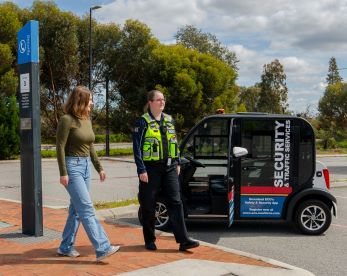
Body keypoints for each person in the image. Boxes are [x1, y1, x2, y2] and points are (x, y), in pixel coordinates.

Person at [56, 86, 119, 262]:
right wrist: (63, 172)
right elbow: (60, 146)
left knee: (76, 210)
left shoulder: (86, 119)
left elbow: (90, 146)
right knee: (86, 208)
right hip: (72, 167)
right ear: (81, 100)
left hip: (85, 167)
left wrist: (99, 167)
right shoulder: (67, 120)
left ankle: (65, 247)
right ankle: (103, 247)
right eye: (90, 99)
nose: (92, 102)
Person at [133, 89, 200, 251]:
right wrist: (141, 170)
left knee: (176, 202)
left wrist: (177, 162)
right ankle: (149, 239)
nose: (162, 102)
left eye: (163, 99)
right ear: (150, 102)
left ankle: (183, 240)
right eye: (159, 100)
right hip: (150, 169)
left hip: (170, 167)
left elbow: (174, 142)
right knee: (149, 204)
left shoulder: (169, 120)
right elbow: (137, 148)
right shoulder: (142, 122)